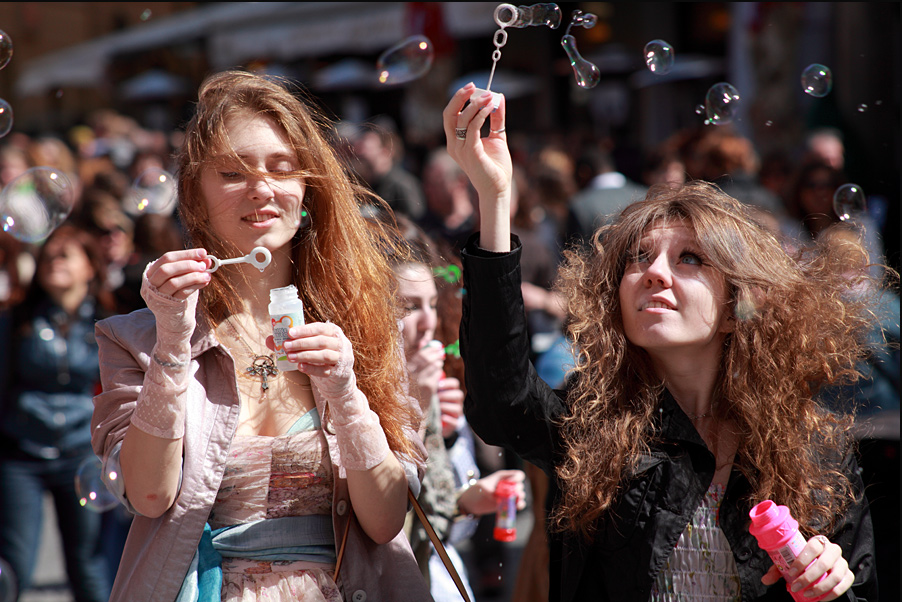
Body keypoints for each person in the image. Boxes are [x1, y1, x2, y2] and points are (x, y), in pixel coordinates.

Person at [443, 82, 880, 601]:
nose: (654, 274)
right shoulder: (594, 431)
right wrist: (494, 197)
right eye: (637, 258)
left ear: (735, 310)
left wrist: (834, 588)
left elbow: (861, 588)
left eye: (689, 259)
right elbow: (502, 399)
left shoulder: (814, 451)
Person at [90, 70, 430, 602]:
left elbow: (386, 520)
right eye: (232, 172)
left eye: (282, 168)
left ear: (307, 189)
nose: (263, 189)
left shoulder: (363, 326)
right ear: (195, 195)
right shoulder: (136, 338)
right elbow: (150, 495)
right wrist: (173, 343)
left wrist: (345, 392)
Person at [385, 214, 526, 602]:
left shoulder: (430, 378)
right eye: (409, 306)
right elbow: (381, 516)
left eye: (432, 303)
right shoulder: (344, 388)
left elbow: (432, 513)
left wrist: (472, 497)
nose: (429, 321)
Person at [0, 223, 117, 602]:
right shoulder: (16, 319)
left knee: (88, 565)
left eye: (65, 255)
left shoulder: (108, 323)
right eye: (48, 256)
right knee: (15, 565)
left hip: (81, 453)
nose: (54, 262)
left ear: (90, 267)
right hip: (21, 455)